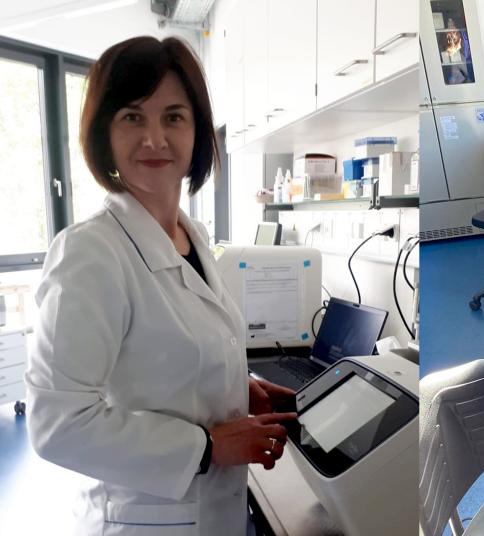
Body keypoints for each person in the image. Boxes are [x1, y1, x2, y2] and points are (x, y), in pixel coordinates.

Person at [25, 36, 295, 535]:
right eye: (132, 117)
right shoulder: (90, 253)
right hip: (144, 520)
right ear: (104, 131)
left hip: (217, 513)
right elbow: (57, 424)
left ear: (197, 133)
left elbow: (165, 362)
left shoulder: (190, 238)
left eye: (173, 117)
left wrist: (239, 388)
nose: (154, 139)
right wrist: (208, 447)